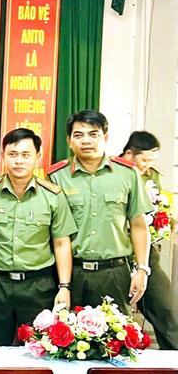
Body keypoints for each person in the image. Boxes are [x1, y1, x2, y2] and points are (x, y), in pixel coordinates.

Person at [0, 128, 75, 346]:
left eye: (25, 154)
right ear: (3, 156)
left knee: (37, 350)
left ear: (38, 157)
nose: (18, 161)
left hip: (38, 286)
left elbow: (61, 243)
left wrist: (64, 287)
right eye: (12, 154)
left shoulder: (53, 196)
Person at [48, 111, 152, 313]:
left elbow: (139, 226)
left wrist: (142, 269)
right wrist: (64, 285)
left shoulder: (127, 174)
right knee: (68, 339)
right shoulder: (56, 177)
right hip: (72, 274)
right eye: (78, 135)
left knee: (116, 338)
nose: (86, 140)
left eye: (93, 134)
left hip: (114, 273)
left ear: (105, 138)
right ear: (69, 141)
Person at [119, 131, 177, 350]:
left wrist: (165, 221)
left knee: (167, 312)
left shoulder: (153, 176)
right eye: (143, 160)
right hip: (118, 256)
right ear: (128, 154)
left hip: (147, 255)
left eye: (151, 160)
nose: (146, 165)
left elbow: (166, 208)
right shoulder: (112, 174)